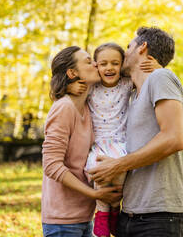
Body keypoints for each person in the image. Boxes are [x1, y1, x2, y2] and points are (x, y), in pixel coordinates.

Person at [88, 27, 183, 237]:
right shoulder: (133, 94)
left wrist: (117, 165)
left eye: (128, 47)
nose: (123, 54)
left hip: (158, 215)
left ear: (142, 47)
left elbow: (174, 138)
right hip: (130, 213)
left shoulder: (160, 77)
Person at [67, 43, 160, 237]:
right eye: (103, 64)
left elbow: (151, 82)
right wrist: (71, 85)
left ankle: (115, 209)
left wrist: (158, 69)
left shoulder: (127, 84)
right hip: (99, 143)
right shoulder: (91, 87)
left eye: (115, 63)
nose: (109, 68)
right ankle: (102, 211)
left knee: (119, 173)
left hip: (120, 142)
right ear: (96, 66)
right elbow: (66, 89)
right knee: (96, 171)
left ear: (121, 65)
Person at [41, 46, 122, 237]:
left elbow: (119, 70)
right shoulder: (63, 108)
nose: (96, 64)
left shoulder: (88, 106)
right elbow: (51, 165)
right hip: (63, 221)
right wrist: (94, 194)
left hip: (85, 217)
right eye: (88, 61)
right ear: (72, 73)